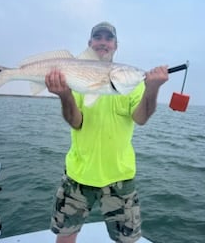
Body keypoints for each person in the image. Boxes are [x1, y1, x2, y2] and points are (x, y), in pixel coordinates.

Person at [45, 22, 168, 243]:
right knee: (65, 234)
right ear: (89, 43)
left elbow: (140, 119)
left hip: (120, 176)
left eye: (108, 38)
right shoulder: (77, 77)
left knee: (127, 240)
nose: (103, 42)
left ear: (116, 45)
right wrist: (64, 95)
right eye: (98, 37)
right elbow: (76, 122)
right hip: (78, 173)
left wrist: (152, 88)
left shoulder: (134, 86)